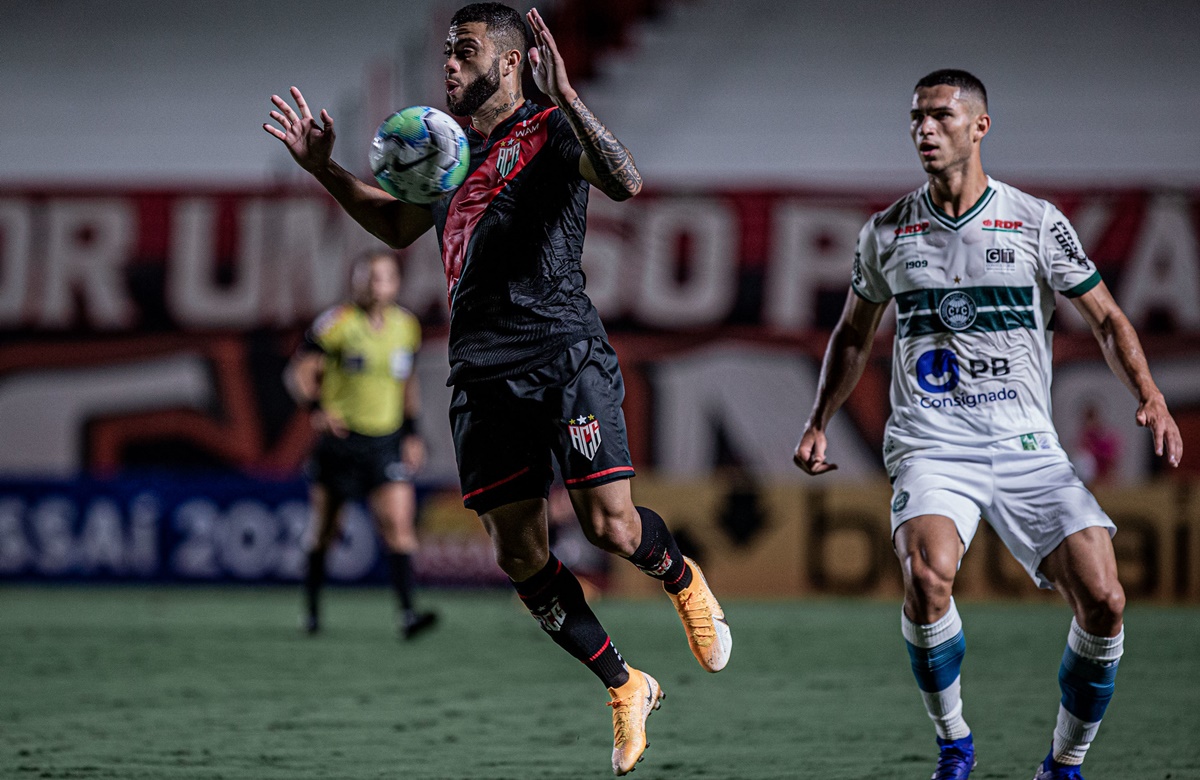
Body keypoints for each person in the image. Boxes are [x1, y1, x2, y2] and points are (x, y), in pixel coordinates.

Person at [264, 4, 731, 774]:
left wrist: (572, 97)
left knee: (611, 527)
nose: (448, 65)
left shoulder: (550, 130)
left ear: (510, 63)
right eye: (445, 51)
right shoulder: (446, 152)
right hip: (480, 372)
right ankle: (626, 685)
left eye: (465, 51)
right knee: (520, 556)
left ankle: (683, 582)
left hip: (564, 353)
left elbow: (627, 181)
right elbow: (394, 226)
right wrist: (324, 169)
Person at [792, 70, 1182, 780]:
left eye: (941, 117)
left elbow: (1107, 320)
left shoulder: (1036, 222)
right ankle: (955, 745)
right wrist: (820, 419)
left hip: (1027, 446)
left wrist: (1150, 393)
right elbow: (852, 335)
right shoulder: (886, 232)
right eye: (915, 118)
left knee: (1105, 600)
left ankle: (1065, 763)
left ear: (980, 127)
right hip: (933, 445)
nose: (924, 131)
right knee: (927, 575)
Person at [286, 250, 437, 640]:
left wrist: (413, 433)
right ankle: (312, 610)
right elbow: (298, 372)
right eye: (368, 276)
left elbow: (408, 384)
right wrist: (317, 408)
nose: (375, 283)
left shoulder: (406, 326)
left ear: (396, 283)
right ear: (355, 281)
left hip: (385, 441)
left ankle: (407, 614)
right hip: (341, 442)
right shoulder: (337, 323)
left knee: (399, 528)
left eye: (383, 276)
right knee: (325, 531)